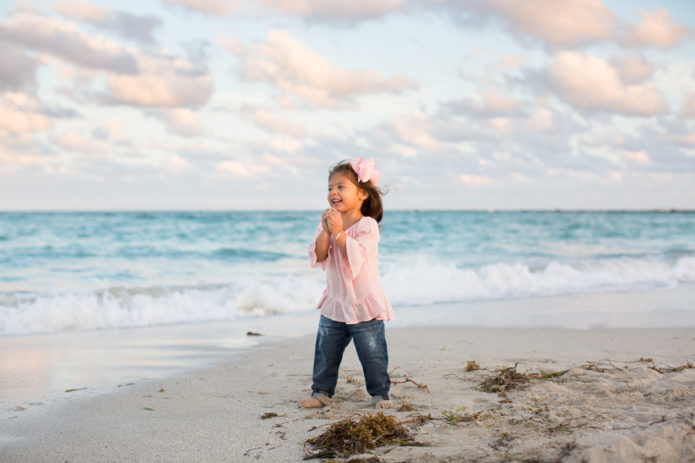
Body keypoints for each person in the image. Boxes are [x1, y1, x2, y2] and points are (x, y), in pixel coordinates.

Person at [299, 158, 395, 410]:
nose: (333, 192)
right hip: (336, 302)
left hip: (363, 302)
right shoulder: (328, 225)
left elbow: (357, 257)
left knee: (372, 353)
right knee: (326, 351)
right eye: (330, 188)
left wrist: (340, 233)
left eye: (341, 187)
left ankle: (379, 394)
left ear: (362, 193)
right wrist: (327, 232)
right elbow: (319, 255)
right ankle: (321, 392)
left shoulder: (367, 226)